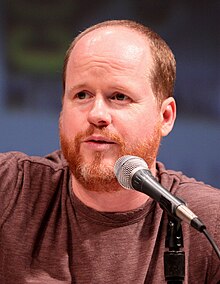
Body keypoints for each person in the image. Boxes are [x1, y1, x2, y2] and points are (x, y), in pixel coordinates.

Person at [0, 20, 219, 284]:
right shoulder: (10, 189)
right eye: (82, 95)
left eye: (119, 97)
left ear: (165, 116)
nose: (97, 114)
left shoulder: (206, 222)